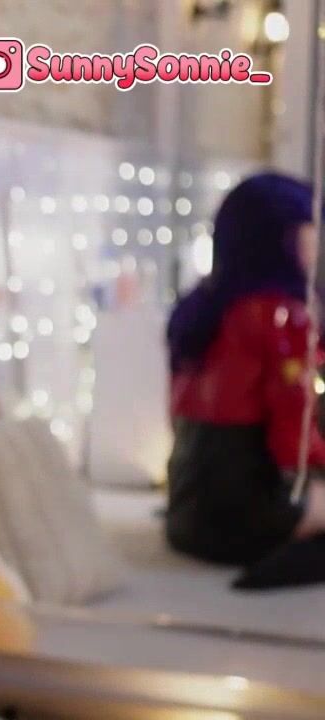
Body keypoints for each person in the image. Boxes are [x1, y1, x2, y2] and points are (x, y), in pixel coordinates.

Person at [165, 172, 325, 577]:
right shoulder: (281, 314)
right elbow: (294, 436)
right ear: (282, 237)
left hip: (186, 513)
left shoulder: (199, 307)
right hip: (247, 517)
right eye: (308, 228)